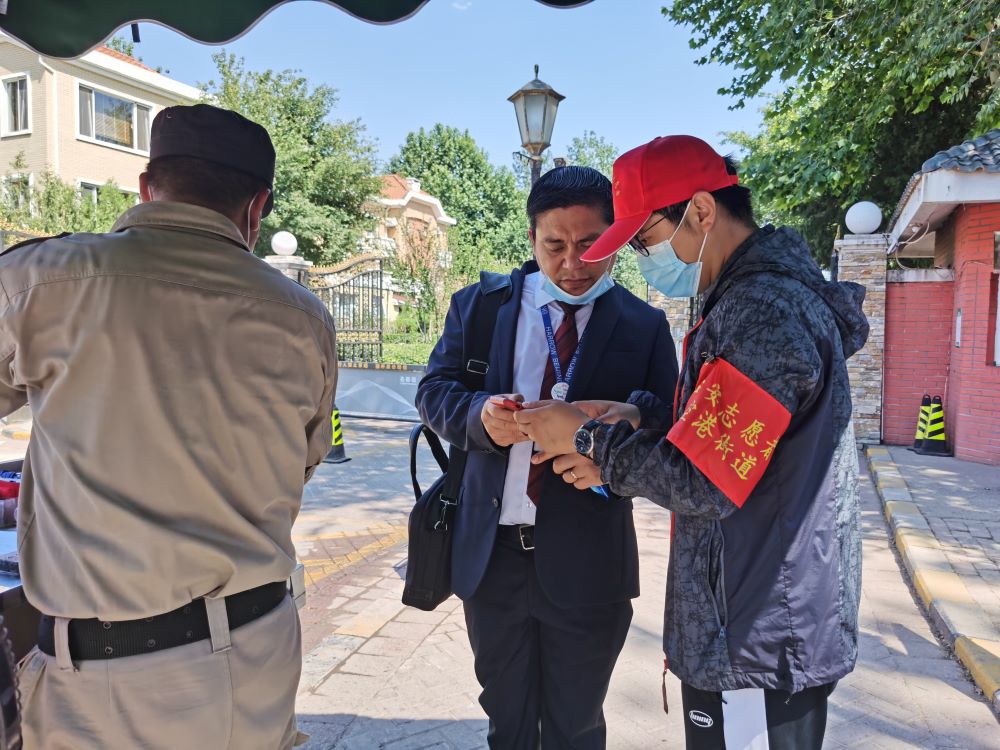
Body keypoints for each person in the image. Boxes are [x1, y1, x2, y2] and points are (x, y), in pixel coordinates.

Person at [515, 136, 869, 750]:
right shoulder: (743, 295)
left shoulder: (763, 312)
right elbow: (729, 434)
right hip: (751, 615)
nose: (644, 260)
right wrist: (640, 417)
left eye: (646, 240)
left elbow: (704, 478)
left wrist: (589, 440)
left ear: (701, 211)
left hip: (758, 631)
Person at [2, 104, 338, 749]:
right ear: (256, 207)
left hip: (107, 676)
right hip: (259, 653)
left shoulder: (41, 280)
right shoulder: (303, 317)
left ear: (146, 186)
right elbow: (301, 462)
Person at [416, 166, 678, 749]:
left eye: (591, 244)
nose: (573, 263)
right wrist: (479, 416)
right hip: (493, 558)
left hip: (590, 560)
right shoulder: (481, 308)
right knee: (506, 720)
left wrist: (621, 433)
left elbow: (668, 423)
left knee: (575, 724)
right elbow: (434, 391)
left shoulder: (643, 325)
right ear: (532, 238)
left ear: (615, 238)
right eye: (555, 245)